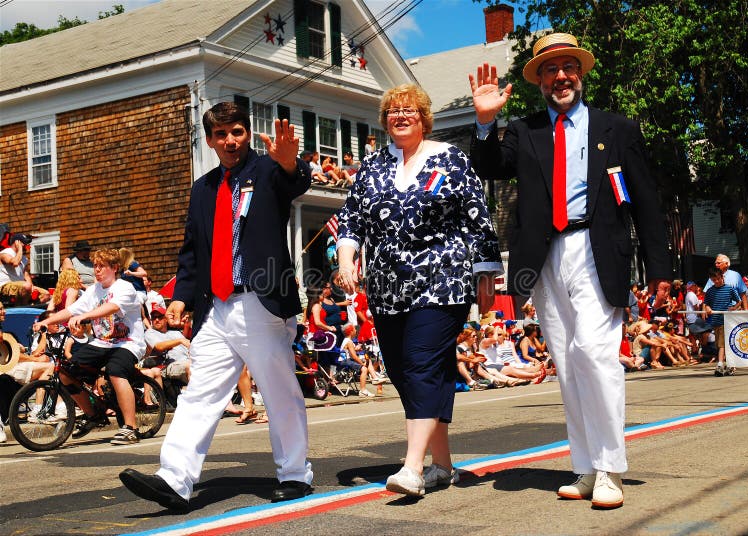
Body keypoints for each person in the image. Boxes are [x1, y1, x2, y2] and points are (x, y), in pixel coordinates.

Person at [468, 32, 672, 509]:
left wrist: (661, 266)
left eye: (568, 67)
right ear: (538, 79)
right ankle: (584, 466)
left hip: (597, 248)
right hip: (543, 257)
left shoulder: (616, 128)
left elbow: (644, 199)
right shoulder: (525, 129)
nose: (560, 76)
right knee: (567, 363)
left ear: (580, 73)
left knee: (596, 355)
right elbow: (492, 167)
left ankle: (610, 469)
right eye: (549, 70)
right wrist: (483, 122)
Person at [119, 102, 313, 510]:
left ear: (246, 133)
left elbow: (296, 184)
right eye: (221, 134)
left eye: (238, 132)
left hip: (262, 301)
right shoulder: (203, 189)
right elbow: (193, 252)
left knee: (279, 392)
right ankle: (175, 479)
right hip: (217, 307)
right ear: (210, 140)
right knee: (199, 393)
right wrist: (181, 298)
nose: (230, 141)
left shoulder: (268, 170)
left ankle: (295, 474)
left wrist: (290, 163)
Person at [335, 83, 502, 497]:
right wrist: (345, 257)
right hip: (388, 287)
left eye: (409, 109)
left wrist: (485, 274)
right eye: (393, 110)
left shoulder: (450, 158)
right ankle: (443, 465)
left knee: (421, 363)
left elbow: (476, 217)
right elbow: (352, 219)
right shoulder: (372, 166)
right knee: (404, 370)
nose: (400, 115)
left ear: (424, 117)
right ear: (384, 119)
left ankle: (412, 468)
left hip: (443, 280)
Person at [32, 248, 144, 444]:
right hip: (102, 343)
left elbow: (112, 307)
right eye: (95, 266)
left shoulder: (125, 287)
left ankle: (130, 428)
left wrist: (85, 316)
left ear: (114, 268)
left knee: (115, 371)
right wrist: (44, 322)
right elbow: (71, 310)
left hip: (127, 343)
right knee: (65, 373)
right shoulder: (93, 290)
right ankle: (93, 415)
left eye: (102, 266)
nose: (97, 270)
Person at [703, 267, 743, 376]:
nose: (716, 281)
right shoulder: (710, 291)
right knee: (721, 344)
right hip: (715, 320)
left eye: (718, 279)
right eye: (713, 280)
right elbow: (706, 303)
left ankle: (720, 364)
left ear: (722, 277)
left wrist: (734, 308)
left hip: (727, 320)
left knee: (722, 344)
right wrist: (707, 308)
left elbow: (739, 301)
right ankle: (730, 365)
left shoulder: (729, 289)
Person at [0, 234, 50, 306]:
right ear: (16, 243)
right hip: (5, 285)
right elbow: (15, 263)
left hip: (22, 286)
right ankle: (22, 309)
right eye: (24, 244)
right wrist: (20, 248)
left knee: (46, 294)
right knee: (26, 286)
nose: (26, 246)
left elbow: (26, 276)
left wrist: (32, 288)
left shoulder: (24, 258)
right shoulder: (5, 253)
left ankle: (29, 307)